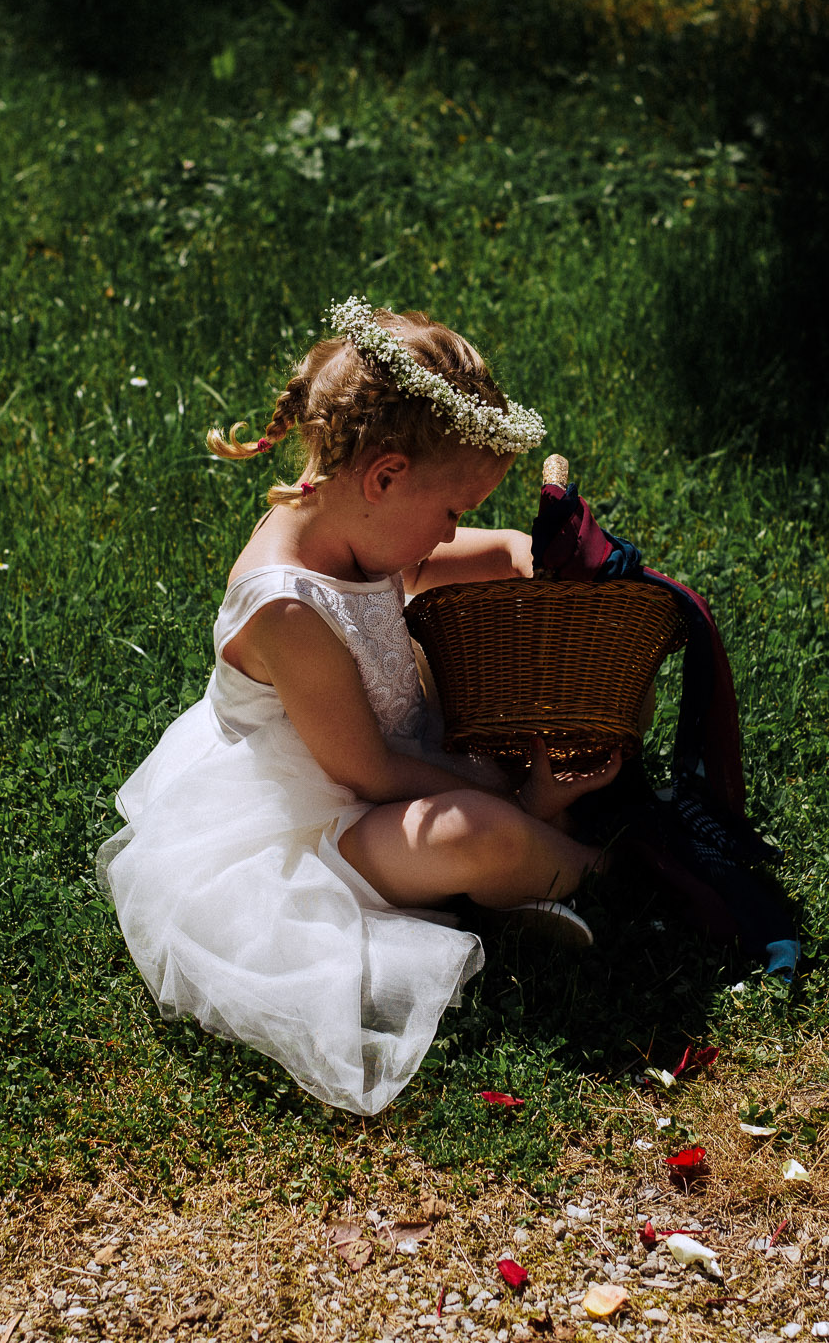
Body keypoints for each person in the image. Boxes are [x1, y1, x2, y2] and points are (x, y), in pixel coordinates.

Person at [98, 296, 617, 1114]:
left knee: (487, 702)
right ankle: (593, 864)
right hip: (312, 828)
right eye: (453, 512)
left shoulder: (364, 523)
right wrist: (499, 793)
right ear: (383, 477)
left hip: (385, 762)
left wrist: (532, 557)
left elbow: (462, 565)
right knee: (469, 828)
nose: (451, 535)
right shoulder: (287, 607)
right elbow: (366, 770)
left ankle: (510, 867)